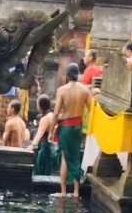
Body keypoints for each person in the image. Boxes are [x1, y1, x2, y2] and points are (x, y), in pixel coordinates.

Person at [53, 63, 90, 198]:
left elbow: (56, 112)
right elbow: (92, 110)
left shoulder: (62, 90)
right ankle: (76, 192)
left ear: (67, 74)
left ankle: (63, 192)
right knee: (75, 157)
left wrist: (52, 129)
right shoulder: (85, 90)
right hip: (78, 126)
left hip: (66, 126)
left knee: (65, 158)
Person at [31, 94, 60, 175]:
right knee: (48, 169)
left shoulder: (45, 118)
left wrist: (32, 146)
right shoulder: (51, 115)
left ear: (40, 106)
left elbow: (39, 134)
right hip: (52, 145)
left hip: (44, 146)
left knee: (41, 170)